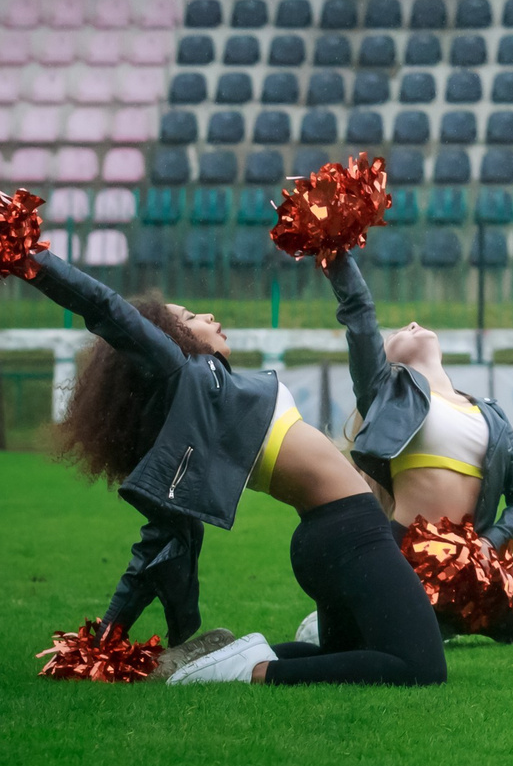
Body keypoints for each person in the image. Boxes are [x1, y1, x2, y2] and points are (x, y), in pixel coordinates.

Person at [29, 250, 445, 687]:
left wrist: (337, 258)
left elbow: (155, 545)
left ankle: (226, 656)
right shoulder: (183, 375)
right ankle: (245, 670)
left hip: (332, 534)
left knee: (346, 656)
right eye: (190, 317)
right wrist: (28, 257)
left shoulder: (208, 404)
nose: (208, 315)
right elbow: (105, 307)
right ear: (169, 341)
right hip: (347, 533)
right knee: (422, 668)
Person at [320, 252, 513, 648]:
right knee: (378, 645)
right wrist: (337, 256)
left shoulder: (491, 415)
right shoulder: (387, 395)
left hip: (475, 567)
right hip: (403, 561)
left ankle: (438, 622)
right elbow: (360, 316)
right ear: (385, 360)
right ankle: (379, 620)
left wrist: (492, 541)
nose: (412, 324)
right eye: (399, 331)